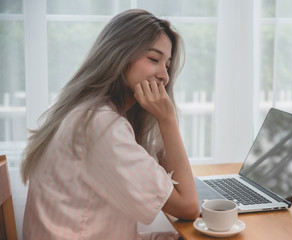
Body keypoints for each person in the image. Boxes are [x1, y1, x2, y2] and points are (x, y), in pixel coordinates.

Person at [21, 9, 200, 240]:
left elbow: (177, 187)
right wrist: (167, 120)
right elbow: (188, 207)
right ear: (120, 55)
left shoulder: (92, 112)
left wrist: (158, 118)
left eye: (167, 65)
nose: (165, 77)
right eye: (154, 59)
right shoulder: (101, 124)